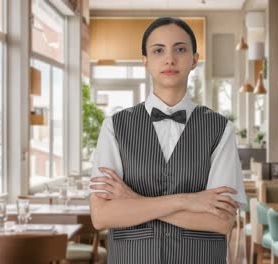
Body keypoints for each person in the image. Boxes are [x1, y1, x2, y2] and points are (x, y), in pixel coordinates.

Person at [89, 17, 247, 264]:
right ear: (146, 61)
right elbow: (101, 215)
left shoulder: (220, 129)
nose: (169, 59)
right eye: (158, 50)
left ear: (194, 59)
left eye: (180, 49)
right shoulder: (115, 126)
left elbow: (221, 221)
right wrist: (188, 201)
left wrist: (135, 203)